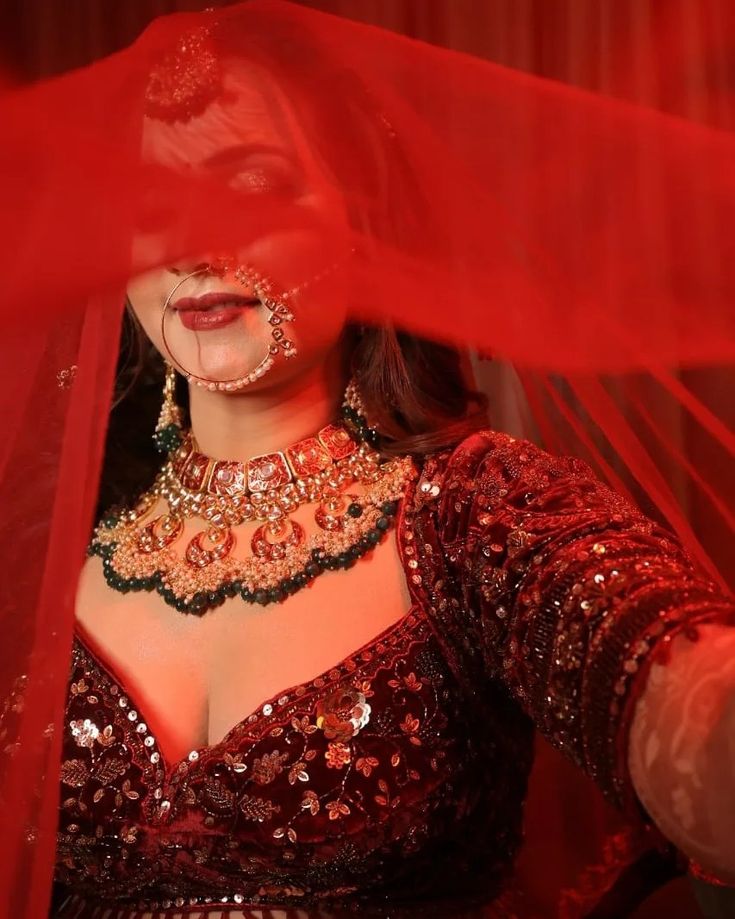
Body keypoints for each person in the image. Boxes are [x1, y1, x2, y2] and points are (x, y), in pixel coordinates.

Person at [0, 3, 734, 918]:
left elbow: (697, 724)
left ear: (364, 225)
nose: (194, 243)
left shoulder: (473, 515)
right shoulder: (45, 544)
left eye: (251, 186)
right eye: (154, 204)